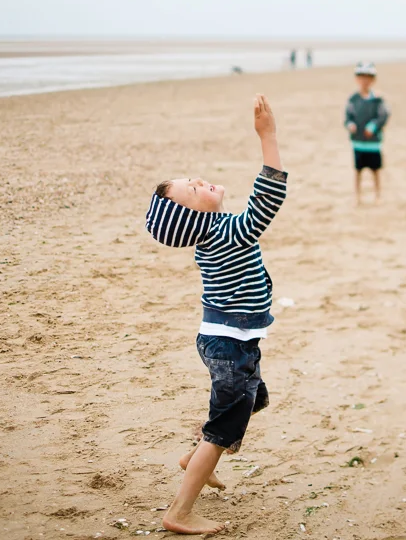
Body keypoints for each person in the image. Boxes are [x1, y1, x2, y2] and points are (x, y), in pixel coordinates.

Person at [144, 94, 287, 535]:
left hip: (228, 341)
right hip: (229, 345)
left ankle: (196, 456)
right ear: (189, 217)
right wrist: (268, 136)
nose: (201, 181)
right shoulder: (227, 232)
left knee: (251, 402)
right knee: (225, 426)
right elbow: (269, 197)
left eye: (194, 178)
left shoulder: (215, 234)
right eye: (193, 189)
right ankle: (180, 511)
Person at [344, 62, 390, 204]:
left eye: (368, 78)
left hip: (373, 143)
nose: (365, 81)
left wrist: (373, 126)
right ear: (357, 79)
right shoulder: (353, 99)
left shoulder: (377, 99)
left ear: (373, 80)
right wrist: (350, 125)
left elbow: (383, 115)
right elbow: (348, 117)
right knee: (358, 170)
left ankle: (378, 194)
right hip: (358, 142)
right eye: (362, 77)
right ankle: (358, 196)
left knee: (375, 170)